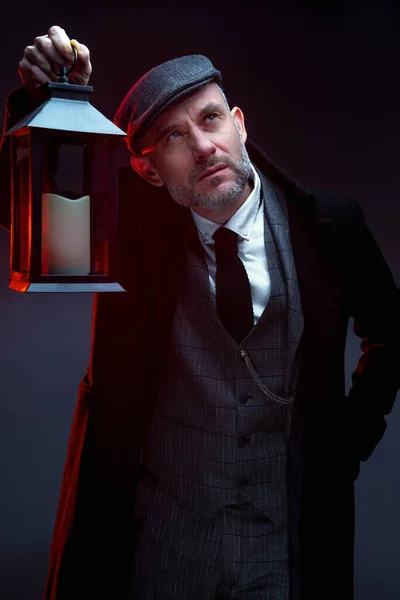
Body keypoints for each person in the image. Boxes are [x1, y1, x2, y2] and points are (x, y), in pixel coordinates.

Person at [2, 25, 400, 600]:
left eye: (211, 120)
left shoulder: (328, 227)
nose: (203, 146)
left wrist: (348, 441)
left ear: (239, 123)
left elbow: (391, 334)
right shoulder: (129, 234)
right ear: (148, 170)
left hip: (282, 548)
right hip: (164, 547)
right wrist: (49, 104)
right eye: (173, 136)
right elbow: (28, 214)